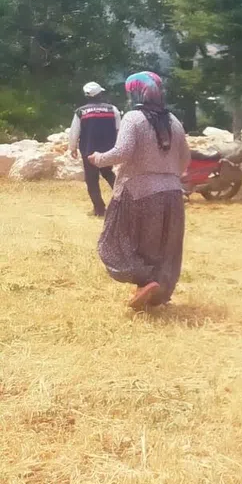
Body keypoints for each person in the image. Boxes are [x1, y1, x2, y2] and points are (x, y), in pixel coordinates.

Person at [88, 72, 190, 310]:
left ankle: (145, 281)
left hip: (138, 192)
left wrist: (98, 158)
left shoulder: (133, 118)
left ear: (135, 93)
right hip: (173, 194)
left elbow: (122, 151)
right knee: (164, 247)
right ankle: (154, 292)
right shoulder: (175, 121)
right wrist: (168, 173)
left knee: (114, 243)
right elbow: (185, 158)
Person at [69, 81, 122, 217]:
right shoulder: (113, 109)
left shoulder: (80, 112)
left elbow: (74, 132)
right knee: (109, 174)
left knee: (92, 180)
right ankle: (123, 201)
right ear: (100, 95)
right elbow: (119, 130)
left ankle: (99, 209)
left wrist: (72, 147)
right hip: (109, 150)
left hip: (88, 150)